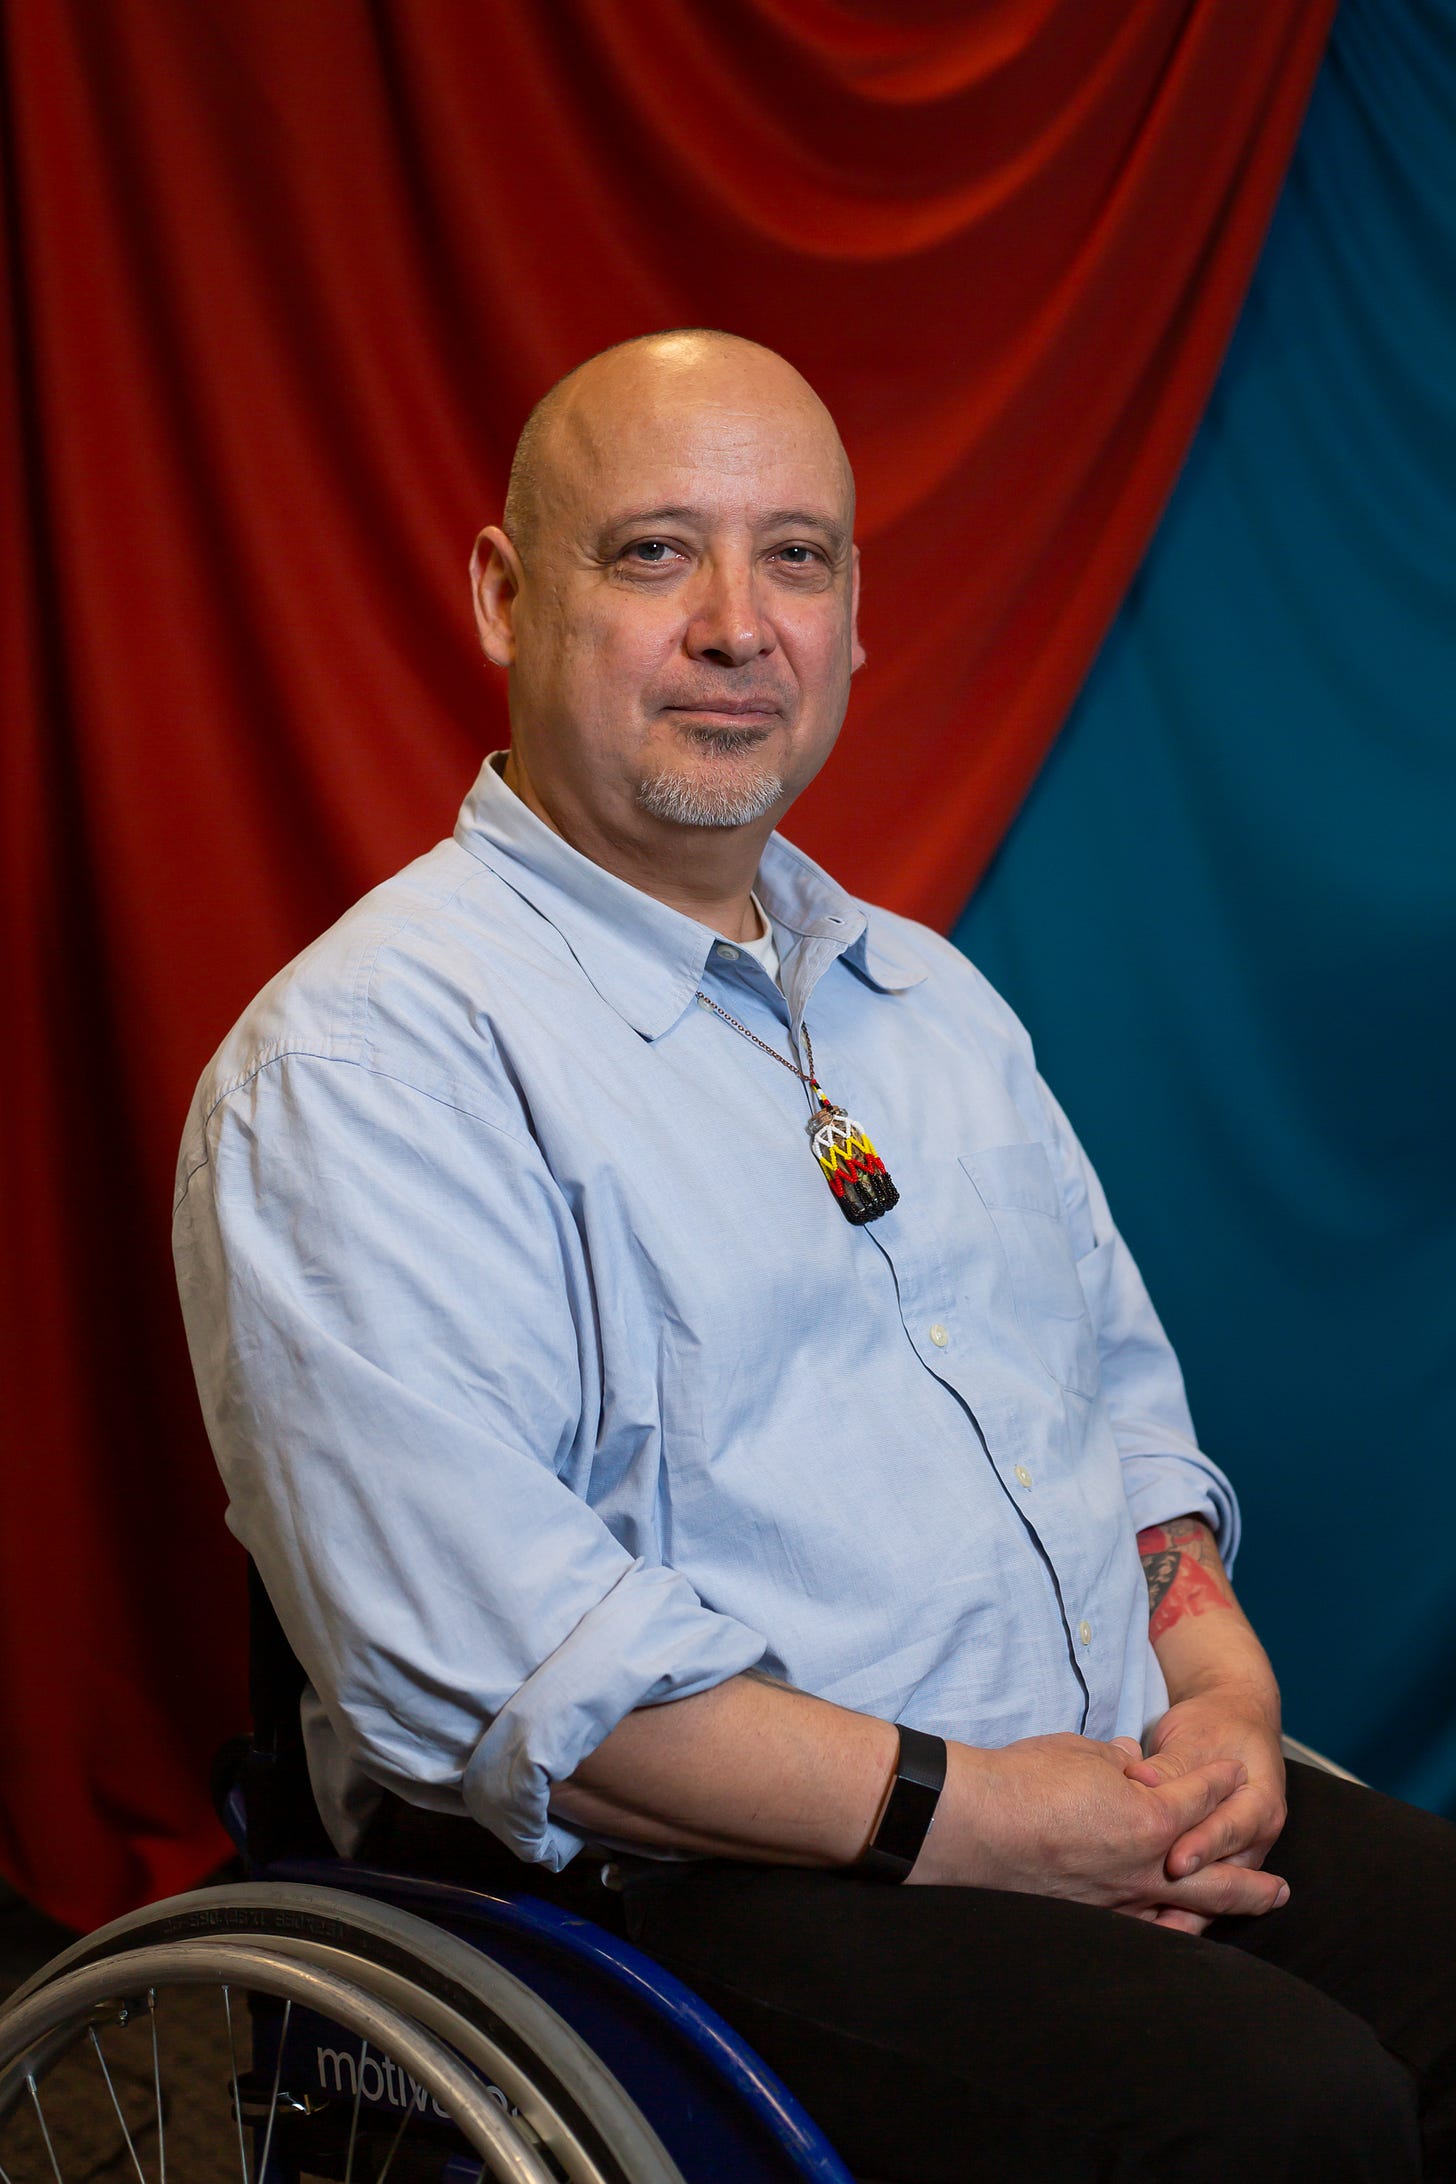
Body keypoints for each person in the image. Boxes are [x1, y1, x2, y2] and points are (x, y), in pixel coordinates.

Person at [174, 330, 1456, 2179]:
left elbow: (1117, 1418)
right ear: (500, 597)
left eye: (796, 556)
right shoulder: (368, 1068)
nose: (734, 623)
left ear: (855, 617)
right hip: (674, 1889)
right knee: (1287, 2117)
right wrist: (992, 1819)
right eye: (650, 552)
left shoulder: (930, 1007)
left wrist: (1229, 1705)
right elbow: (522, 1679)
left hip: (1093, 1778)